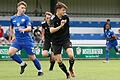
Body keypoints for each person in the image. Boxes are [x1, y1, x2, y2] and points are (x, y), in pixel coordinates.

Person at [8, 1, 43, 76]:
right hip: (17, 40)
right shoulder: (13, 18)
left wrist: (24, 30)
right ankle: (22, 64)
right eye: (22, 8)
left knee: (32, 57)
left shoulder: (26, 18)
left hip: (26, 40)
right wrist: (13, 36)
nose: (23, 9)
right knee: (10, 53)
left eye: (25, 8)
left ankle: (40, 71)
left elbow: (29, 28)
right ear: (18, 8)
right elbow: (11, 27)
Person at [50, 2, 75, 79]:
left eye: (65, 10)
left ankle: (70, 69)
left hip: (65, 39)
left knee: (71, 55)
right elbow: (51, 30)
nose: (65, 12)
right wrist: (60, 26)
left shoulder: (66, 17)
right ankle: (67, 73)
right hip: (56, 42)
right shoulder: (53, 19)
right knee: (59, 61)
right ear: (58, 10)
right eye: (63, 10)